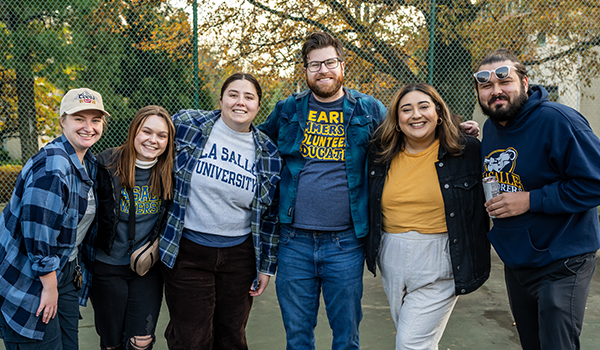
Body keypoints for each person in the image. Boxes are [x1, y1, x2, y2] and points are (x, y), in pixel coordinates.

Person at [258, 31, 480, 350]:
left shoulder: (367, 109)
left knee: (347, 336)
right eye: (314, 64)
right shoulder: (287, 110)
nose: (323, 70)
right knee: (298, 336)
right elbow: (253, 139)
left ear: (343, 65)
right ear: (305, 70)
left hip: (345, 242)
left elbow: (409, 131)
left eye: (330, 63)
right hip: (293, 242)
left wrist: (454, 130)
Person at [475, 48, 600, 350]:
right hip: (518, 260)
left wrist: (530, 200)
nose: (496, 91)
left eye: (505, 82)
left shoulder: (557, 121)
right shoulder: (491, 128)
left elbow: (594, 182)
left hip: (562, 258)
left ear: (525, 83)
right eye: (486, 85)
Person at [159, 72, 282, 349]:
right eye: (233, 95)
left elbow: (270, 215)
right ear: (221, 99)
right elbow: (151, 141)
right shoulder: (187, 124)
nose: (240, 102)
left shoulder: (269, 152)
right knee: (191, 338)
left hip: (239, 257)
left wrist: (266, 267)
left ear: (258, 106)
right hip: (189, 251)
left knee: (231, 337)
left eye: (249, 97)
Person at [365, 83, 490, 350]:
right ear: (397, 121)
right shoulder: (380, 153)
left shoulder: (466, 150)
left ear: (439, 113)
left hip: (441, 257)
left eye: (424, 107)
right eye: (406, 109)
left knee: (411, 343)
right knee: (413, 338)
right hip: (391, 254)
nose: (416, 115)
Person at [0, 88, 108, 349]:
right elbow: (37, 235)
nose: (88, 127)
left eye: (95, 119)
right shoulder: (53, 167)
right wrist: (49, 287)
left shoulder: (87, 162)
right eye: (79, 118)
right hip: (31, 277)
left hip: (65, 270)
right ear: (63, 121)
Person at [90, 105, 174, 350]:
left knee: (142, 341)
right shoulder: (105, 164)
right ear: (134, 131)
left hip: (147, 268)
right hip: (107, 265)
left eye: (161, 135)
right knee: (112, 342)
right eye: (147, 132)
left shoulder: (171, 170)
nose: (153, 140)